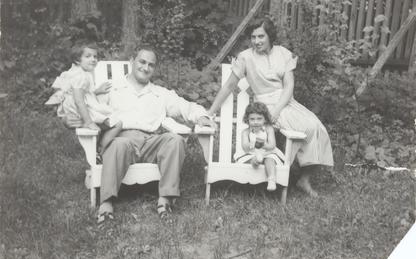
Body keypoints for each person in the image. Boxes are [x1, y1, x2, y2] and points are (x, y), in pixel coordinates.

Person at [63, 47, 215, 224]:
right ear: (132, 61)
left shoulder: (160, 93)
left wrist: (202, 117)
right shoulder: (112, 88)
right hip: (122, 139)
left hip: (151, 141)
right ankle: (106, 203)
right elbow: (88, 107)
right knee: (118, 144)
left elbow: (185, 106)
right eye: (142, 62)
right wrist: (69, 120)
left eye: (151, 64)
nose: (146, 67)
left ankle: (165, 199)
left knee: (175, 140)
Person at [208, 17, 333, 197]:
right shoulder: (245, 58)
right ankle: (282, 168)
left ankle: (304, 178)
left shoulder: (283, 54)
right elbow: (228, 86)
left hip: (285, 102)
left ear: (270, 36)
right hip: (264, 107)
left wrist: (277, 111)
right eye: (253, 37)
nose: (256, 41)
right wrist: (210, 112)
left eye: (261, 36)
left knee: (316, 128)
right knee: (305, 129)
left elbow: (289, 86)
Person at [46, 42, 122, 154]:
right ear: (78, 60)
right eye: (88, 56)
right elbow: (79, 100)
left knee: (104, 123)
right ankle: (101, 149)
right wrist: (89, 122)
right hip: (82, 112)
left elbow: (83, 94)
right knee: (117, 123)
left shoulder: (75, 72)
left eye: (95, 56)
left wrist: (97, 91)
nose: (93, 59)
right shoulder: (82, 76)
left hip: (77, 110)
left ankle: (96, 149)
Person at [234, 102, 283, 192]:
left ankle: (271, 180)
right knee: (253, 159)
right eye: (252, 119)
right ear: (247, 120)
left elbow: (272, 145)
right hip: (251, 153)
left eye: (259, 119)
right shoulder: (246, 132)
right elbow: (245, 147)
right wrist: (252, 143)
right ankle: (256, 162)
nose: (255, 122)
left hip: (267, 153)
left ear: (265, 119)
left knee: (270, 159)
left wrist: (263, 144)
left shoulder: (268, 129)